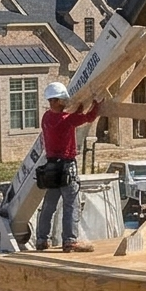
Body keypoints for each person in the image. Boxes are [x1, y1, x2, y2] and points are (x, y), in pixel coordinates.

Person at [32, 81, 102, 252]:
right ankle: (70, 240)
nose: (65, 101)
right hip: (66, 168)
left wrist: (77, 111)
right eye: (62, 99)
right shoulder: (66, 120)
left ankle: (42, 240)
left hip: (51, 169)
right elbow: (89, 117)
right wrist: (97, 104)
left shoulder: (47, 118)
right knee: (71, 205)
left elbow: (70, 119)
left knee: (49, 206)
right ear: (56, 100)